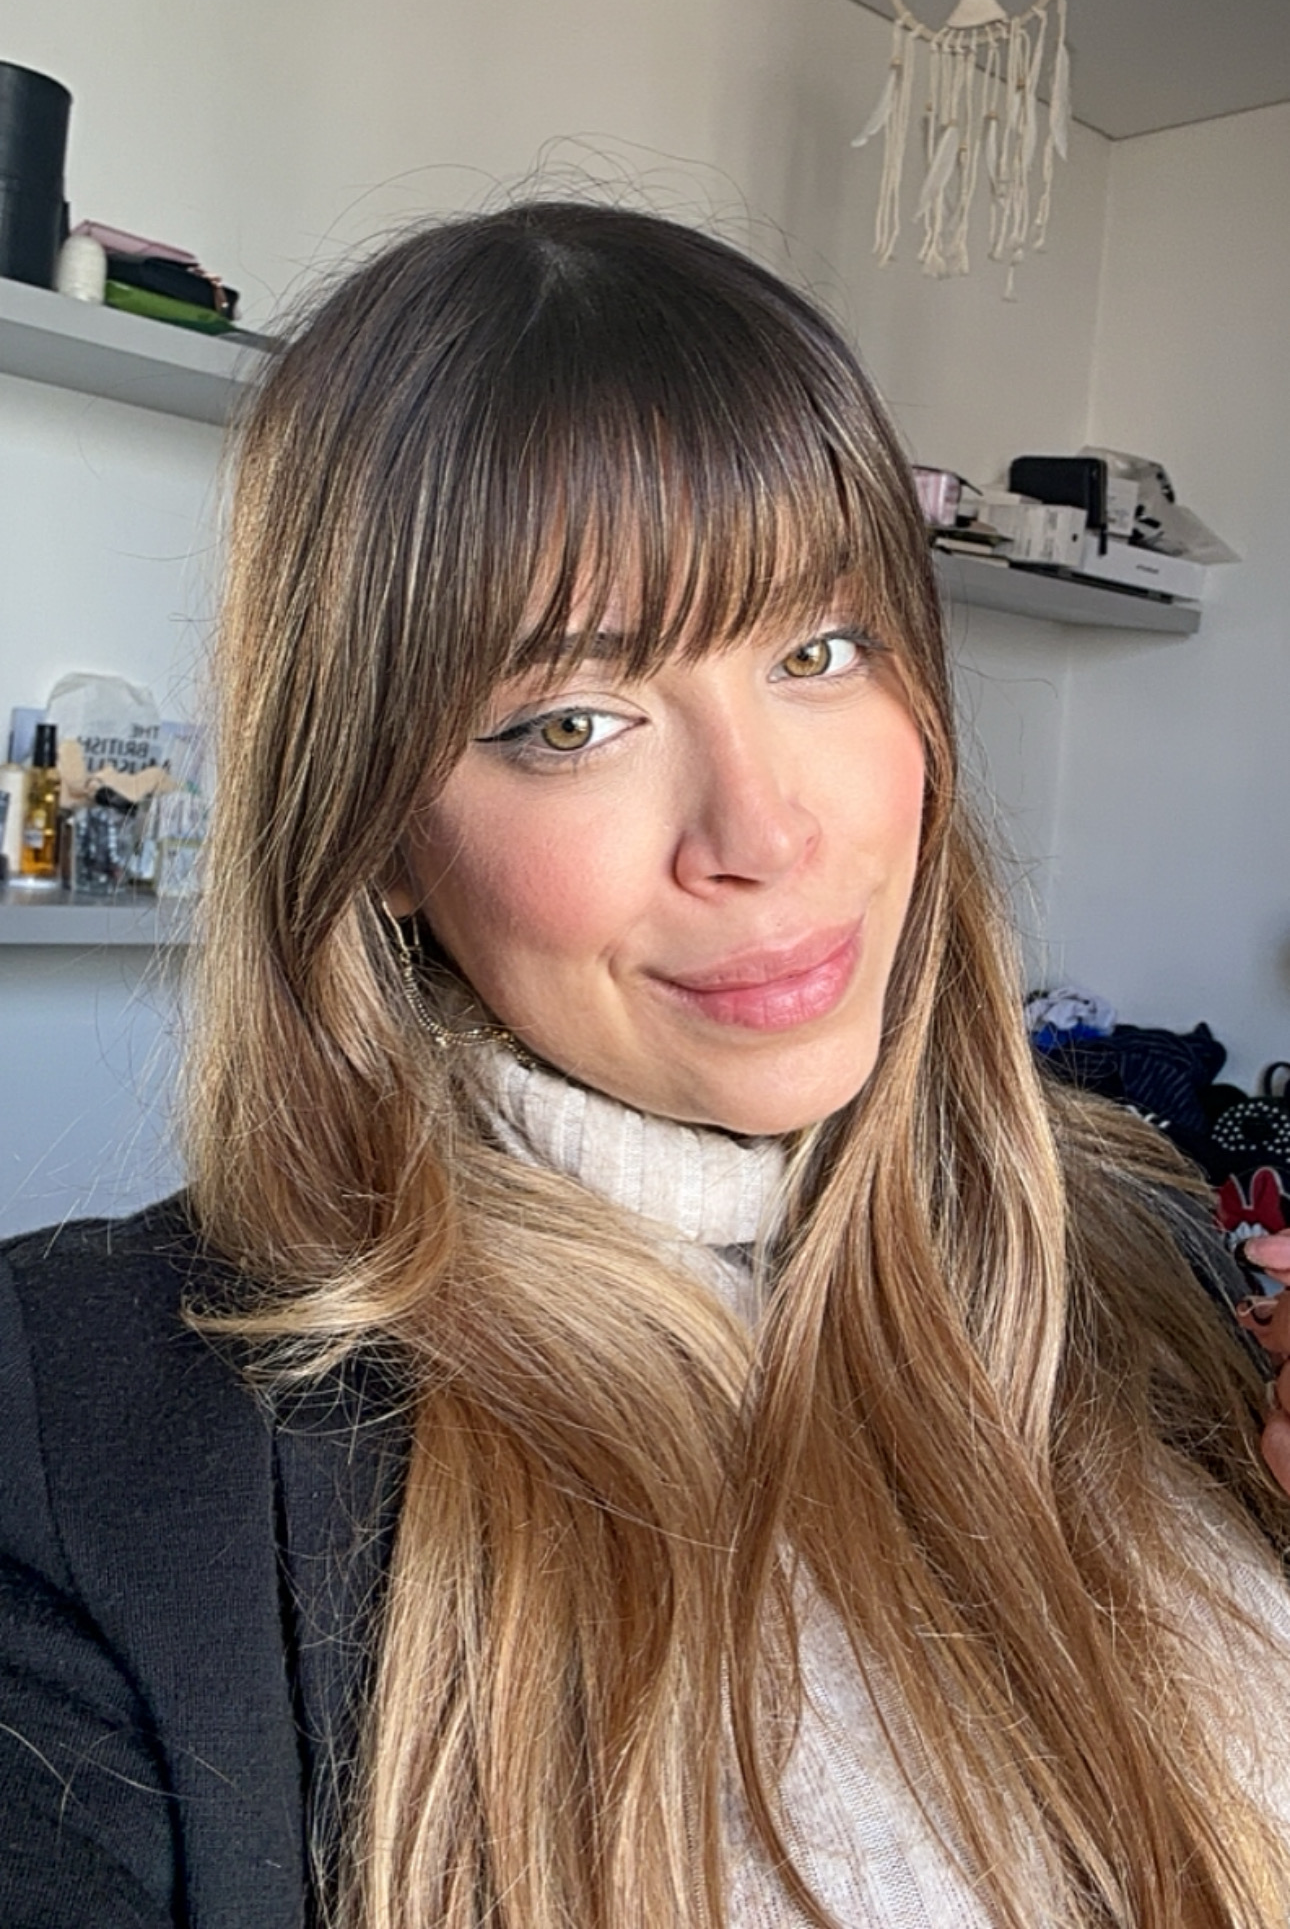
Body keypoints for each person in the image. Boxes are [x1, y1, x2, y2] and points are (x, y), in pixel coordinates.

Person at [2, 200, 1290, 1929]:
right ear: (372, 825)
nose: (764, 831)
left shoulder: (1134, 1242)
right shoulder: (83, 1448)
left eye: (817, 649)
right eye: (573, 722)